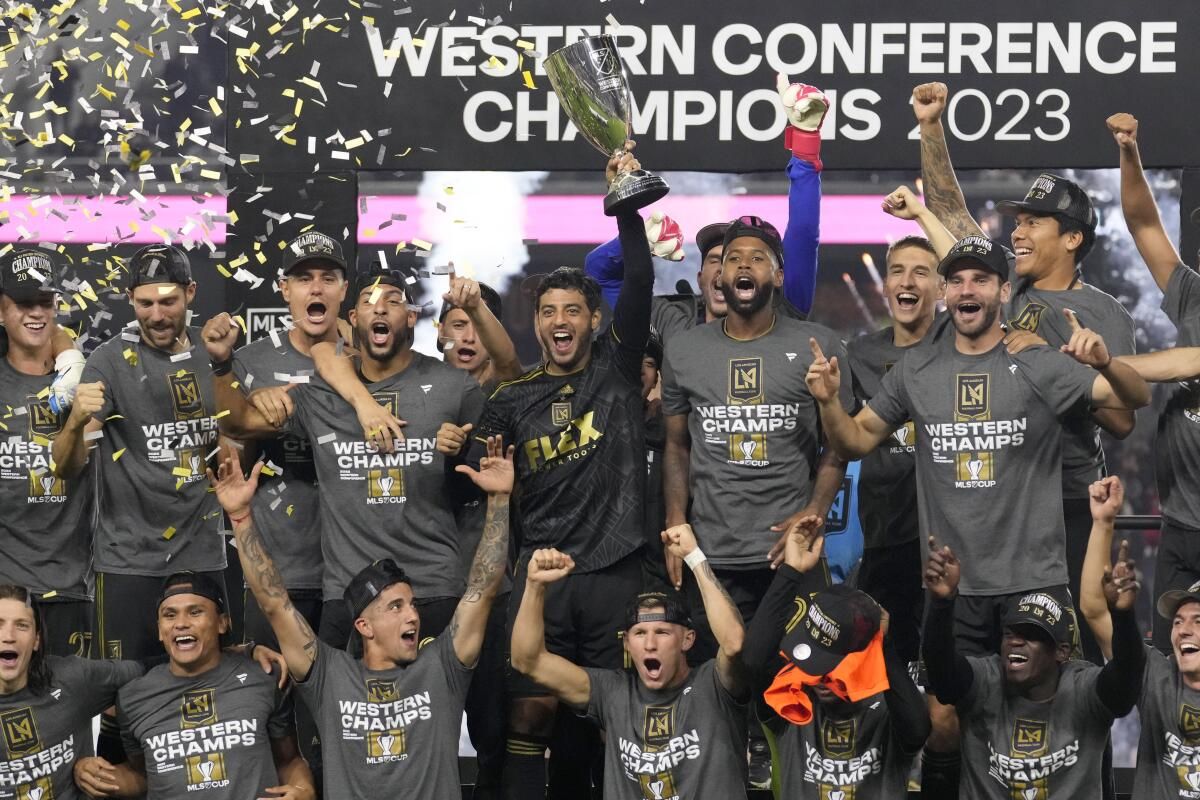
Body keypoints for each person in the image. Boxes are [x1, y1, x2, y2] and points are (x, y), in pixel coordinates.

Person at [805, 235, 1150, 799]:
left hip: (1033, 583)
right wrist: (827, 402)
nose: (968, 290)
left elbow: (1129, 402)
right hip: (955, 592)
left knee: (1068, 719)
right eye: (958, 280)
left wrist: (1107, 362)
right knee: (944, 725)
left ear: (1003, 290)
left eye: (981, 279)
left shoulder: (1036, 362)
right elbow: (857, 438)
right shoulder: (915, 372)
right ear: (944, 293)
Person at [912, 81, 1138, 666]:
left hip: (1066, 503)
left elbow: (1119, 420)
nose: (1016, 232)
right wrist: (932, 129)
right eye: (1018, 220)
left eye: (1034, 221)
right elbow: (950, 214)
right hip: (999, 507)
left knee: (1072, 660)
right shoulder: (999, 292)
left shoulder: (1105, 313)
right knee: (990, 661)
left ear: (1071, 237)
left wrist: (1060, 358)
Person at [465, 147, 655, 798]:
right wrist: (447, 447)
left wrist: (625, 201)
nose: (560, 321)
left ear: (593, 321)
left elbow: (639, 279)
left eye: (573, 310)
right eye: (549, 311)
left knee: (615, 719)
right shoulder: (512, 400)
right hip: (543, 580)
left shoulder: (618, 372)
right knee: (531, 715)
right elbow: (469, 473)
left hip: (615, 576)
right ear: (537, 323)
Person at [207, 431, 514, 799]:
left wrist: (498, 500)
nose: (413, 616)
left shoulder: (441, 669)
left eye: (412, 605)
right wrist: (241, 518)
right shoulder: (329, 677)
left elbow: (481, 590)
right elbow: (275, 602)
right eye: (395, 607)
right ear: (363, 626)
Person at [207, 265, 484, 649]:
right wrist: (222, 366)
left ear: (412, 316)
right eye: (370, 303)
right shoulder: (321, 395)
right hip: (349, 594)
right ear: (354, 319)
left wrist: (461, 448)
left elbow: (494, 460)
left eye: (393, 301)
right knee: (334, 708)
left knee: (431, 709)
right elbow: (237, 423)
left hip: (432, 586)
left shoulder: (453, 386)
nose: (382, 310)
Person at [660, 216, 851, 657]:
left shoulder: (819, 346)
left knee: (796, 688)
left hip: (792, 554)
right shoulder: (684, 350)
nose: (744, 265)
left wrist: (814, 511)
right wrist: (675, 521)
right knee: (724, 686)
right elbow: (675, 444)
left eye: (758, 258)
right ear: (720, 275)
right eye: (733, 259)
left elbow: (838, 447)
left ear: (779, 276)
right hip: (710, 554)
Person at [52, 244, 229, 662]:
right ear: (130, 299)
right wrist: (76, 420)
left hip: (202, 555)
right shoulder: (109, 362)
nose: (156, 315)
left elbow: (240, 432)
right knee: (123, 698)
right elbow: (66, 466)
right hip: (127, 563)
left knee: (204, 694)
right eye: (145, 303)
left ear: (191, 292)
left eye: (168, 302)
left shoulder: (214, 353)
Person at [509, 524, 750, 800]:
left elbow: (733, 643)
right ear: (626, 643)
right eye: (639, 633)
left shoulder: (714, 687)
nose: (649, 644)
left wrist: (694, 557)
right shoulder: (613, 692)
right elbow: (528, 661)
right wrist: (535, 587)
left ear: (687, 640)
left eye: (662, 632)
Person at [584, 74, 827, 337]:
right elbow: (599, 271)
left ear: (776, 278)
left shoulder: (782, 316)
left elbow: (803, 233)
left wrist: (805, 143)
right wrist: (637, 241)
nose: (730, 268)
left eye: (752, 259)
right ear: (700, 279)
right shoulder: (669, 325)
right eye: (718, 259)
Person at [921, 532, 1144, 798]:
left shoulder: (1081, 688)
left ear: (1061, 652)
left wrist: (1122, 617)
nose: (1016, 642)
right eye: (1010, 634)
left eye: (1031, 635)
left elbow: (1125, 686)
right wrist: (942, 604)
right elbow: (942, 672)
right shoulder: (986, 679)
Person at [218, 231, 349, 656]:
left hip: (352, 572)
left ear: (344, 290)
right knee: (274, 710)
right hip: (276, 569)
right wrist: (251, 404)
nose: (316, 288)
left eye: (328, 278)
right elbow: (228, 459)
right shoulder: (249, 361)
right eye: (304, 278)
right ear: (284, 289)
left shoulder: (366, 359)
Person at [73, 572, 316, 799]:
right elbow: (144, 774)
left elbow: (288, 760)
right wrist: (87, 772)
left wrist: (304, 789)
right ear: (160, 630)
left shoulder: (263, 677)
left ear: (222, 623)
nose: (181, 623)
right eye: (170, 615)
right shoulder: (132, 697)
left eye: (195, 612)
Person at [1108, 110, 1200, 654]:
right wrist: (1129, 151)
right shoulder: (1192, 294)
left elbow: (1187, 362)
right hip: (1181, 528)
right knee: (1168, 663)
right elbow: (1144, 225)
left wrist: (1105, 365)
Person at [742, 533, 930, 798]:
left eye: (831, 663)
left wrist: (882, 645)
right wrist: (791, 573)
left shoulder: (887, 708)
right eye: (815, 662)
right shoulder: (794, 703)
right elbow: (753, 660)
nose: (821, 676)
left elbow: (918, 728)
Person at [851, 187, 954, 666]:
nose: (906, 281)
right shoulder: (858, 355)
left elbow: (966, 264)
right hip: (883, 535)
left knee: (947, 663)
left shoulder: (961, 344)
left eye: (921, 272)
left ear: (942, 287)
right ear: (885, 287)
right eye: (897, 271)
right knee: (884, 665)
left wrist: (921, 213)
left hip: (954, 535)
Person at [0, 249, 94, 657]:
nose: (36, 313)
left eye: (45, 302)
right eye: (23, 304)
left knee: (69, 716)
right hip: (4, 593)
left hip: (71, 587)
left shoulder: (90, 376)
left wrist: (73, 369)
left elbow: (75, 466)